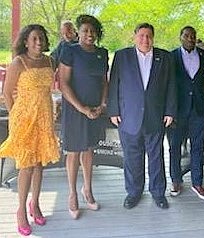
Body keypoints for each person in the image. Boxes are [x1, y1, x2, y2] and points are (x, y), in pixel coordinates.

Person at [108, 23, 176, 209]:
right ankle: (134, 192)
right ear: (135, 36)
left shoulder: (165, 57)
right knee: (132, 157)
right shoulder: (122, 56)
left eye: (149, 36)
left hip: (156, 116)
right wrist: (113, 110)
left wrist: (170, 111)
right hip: (128, 116)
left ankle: (158, 193)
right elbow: (114, 83)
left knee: (156, 157)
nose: (145, 39)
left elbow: (171, 85)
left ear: (153, 38)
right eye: (142, 36)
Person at [0, 24, 60, 236]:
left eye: (41, 38)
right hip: (24, 120)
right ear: (26, 41)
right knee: (26, 166)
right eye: (34, 38)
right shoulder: (19, 62)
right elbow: (7, 93)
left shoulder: (51, 61)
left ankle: (34, 204)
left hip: (44, 119)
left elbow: (51, 90)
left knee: (40, 165)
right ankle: (20, 211)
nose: (38, 42)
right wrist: (15, 117)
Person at [58, 14, 108, 219]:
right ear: (79, 32)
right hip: (75, 109)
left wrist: (103, 104)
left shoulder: (102, 53)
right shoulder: (69, 51)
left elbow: (105, 81)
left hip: (95, 110)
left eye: (93, 31)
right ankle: (72, 194)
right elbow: (64, 83)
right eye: (86, 30)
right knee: (74, 151)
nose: (89, 34)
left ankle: (87, 190)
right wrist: (82, 108)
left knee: (89, 149)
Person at [168, 26, 204, 199]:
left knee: (198, 147)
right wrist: (169, 111)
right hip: (177, 111)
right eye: (186, 35)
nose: (190, 38)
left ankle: (197, 182)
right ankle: (176, 180)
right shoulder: (171, 57)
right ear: (180, 37)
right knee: (174, 148)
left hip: (199, 110)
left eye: (193, 36)